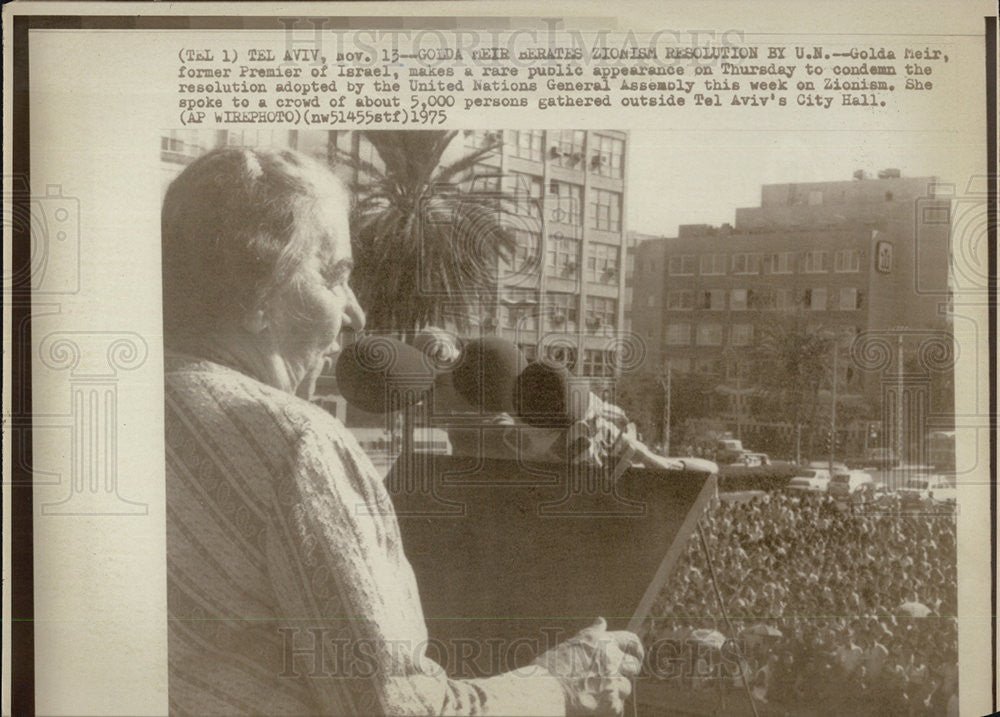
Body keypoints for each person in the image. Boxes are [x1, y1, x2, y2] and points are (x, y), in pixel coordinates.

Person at [162, 147, 642, 716]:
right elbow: (404, 712)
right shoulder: (295, 443)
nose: (356, 313)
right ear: (255, 297)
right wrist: (563, 682)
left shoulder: (129, 405)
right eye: (335, 276)